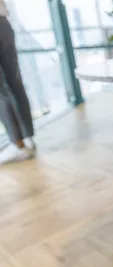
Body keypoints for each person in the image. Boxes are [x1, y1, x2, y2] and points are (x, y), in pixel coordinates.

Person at [0, 0, 35, 165]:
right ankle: (28, 137)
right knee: (15, 84)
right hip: (3, 24)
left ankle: (18, 145)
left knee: (1, 92)